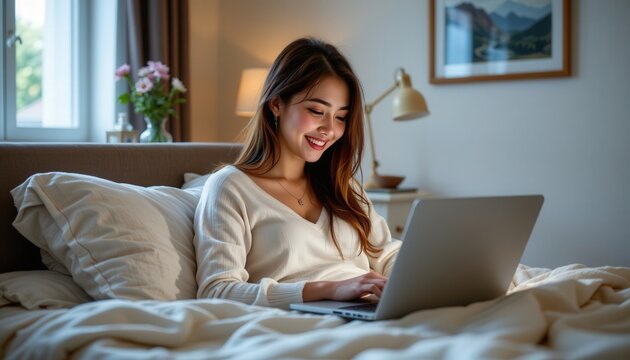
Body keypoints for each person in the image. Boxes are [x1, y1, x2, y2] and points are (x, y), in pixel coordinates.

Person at [194, 37, 401, 309]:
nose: (330, 129)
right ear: (276, 104)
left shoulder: (344, 186)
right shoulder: (230, 188)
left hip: (366, 311)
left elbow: (386, 255)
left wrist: (421, 276)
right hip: (300, 319)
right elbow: (217, 290)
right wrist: (330, 290)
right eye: (316, 111)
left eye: (340, 117)